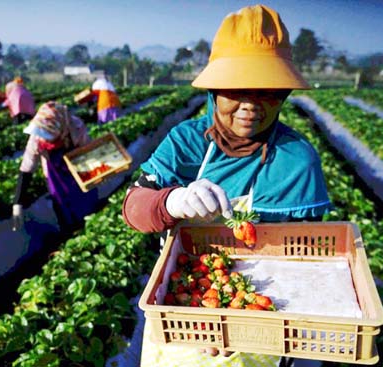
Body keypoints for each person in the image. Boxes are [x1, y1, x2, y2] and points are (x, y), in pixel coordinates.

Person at [122, 4, 331, 366]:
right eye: (237, 89)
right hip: (186, 314)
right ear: (214, 90)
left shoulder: (297, 158)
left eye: (268, 92)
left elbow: (305, 262)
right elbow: (133, 208)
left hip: (264, 314)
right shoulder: (187, 141)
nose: (251, 105)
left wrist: (247, 321)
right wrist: (170, 202)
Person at [12, 101, 99, 232]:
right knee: (62, 209)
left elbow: (87, 153)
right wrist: (18, 203)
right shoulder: (37, 136)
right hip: (55, 177)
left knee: (85, 205)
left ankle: (90, 230)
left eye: (49, 136)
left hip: (78, 169)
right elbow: (27, 168)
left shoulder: (75, 127)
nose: (46, 140)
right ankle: (70, 233)